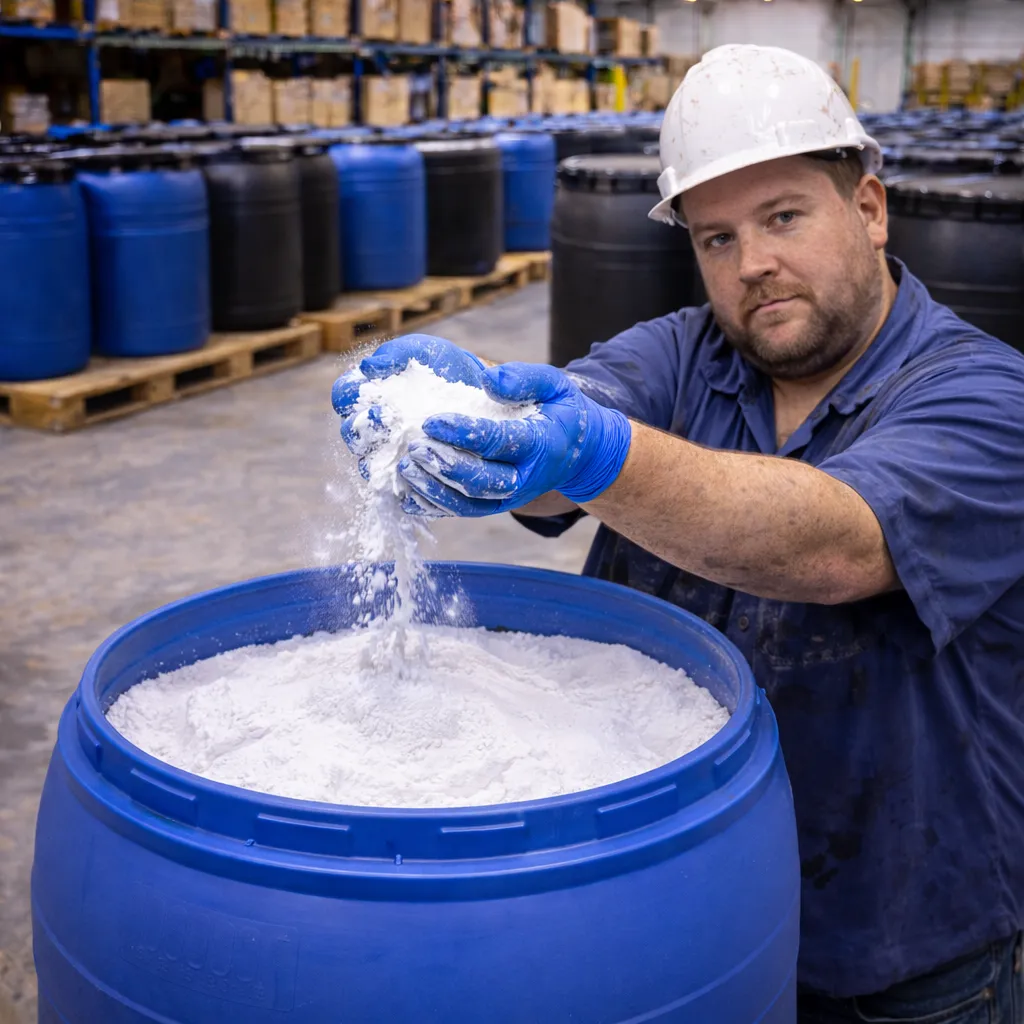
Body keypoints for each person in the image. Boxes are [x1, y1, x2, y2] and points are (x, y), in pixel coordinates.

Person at [333, 44, 1024, 1021]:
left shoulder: (985, 395)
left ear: (868, 209)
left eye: (783, 217)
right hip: (671, 906)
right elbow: (563, 441)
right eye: (716, 238)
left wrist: (597, 456)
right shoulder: (683, 351)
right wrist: (481, 423)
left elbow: (836, 542)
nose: (753, 264)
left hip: (896, 944)